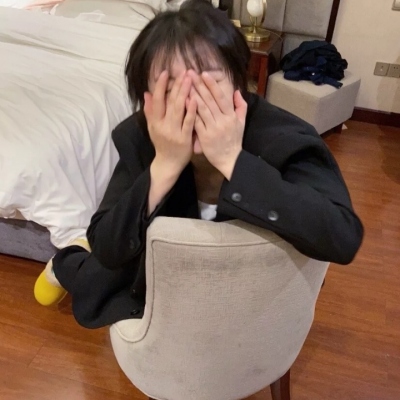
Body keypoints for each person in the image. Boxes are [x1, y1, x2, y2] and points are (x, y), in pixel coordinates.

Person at [34, 0, 363, 329]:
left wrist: (232, 160)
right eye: (171, 90)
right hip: (156, 284)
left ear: (238, 83)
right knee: (94, 274)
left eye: (208, 84)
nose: (191, 104)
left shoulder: (285, 137)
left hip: (250, 297)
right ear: (148, 100)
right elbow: (108, 246)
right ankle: (66, 261)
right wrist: (164, 165)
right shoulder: (144, 135)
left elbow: (341, 236)